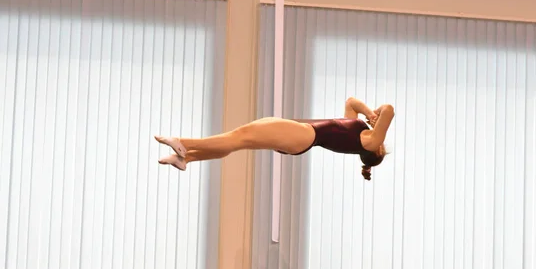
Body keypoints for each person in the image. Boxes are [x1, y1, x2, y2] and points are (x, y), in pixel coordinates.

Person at [155, 98, 395, 180]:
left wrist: (376, 114)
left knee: (238, 137)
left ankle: (185, 143)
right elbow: (351, 102)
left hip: (304, 136)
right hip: (299, 132)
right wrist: (370, 114)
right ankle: (188, 159)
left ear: (377, 151)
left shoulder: (369, 143)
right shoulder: (358, 131)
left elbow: (390, 109)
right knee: (239, 140)